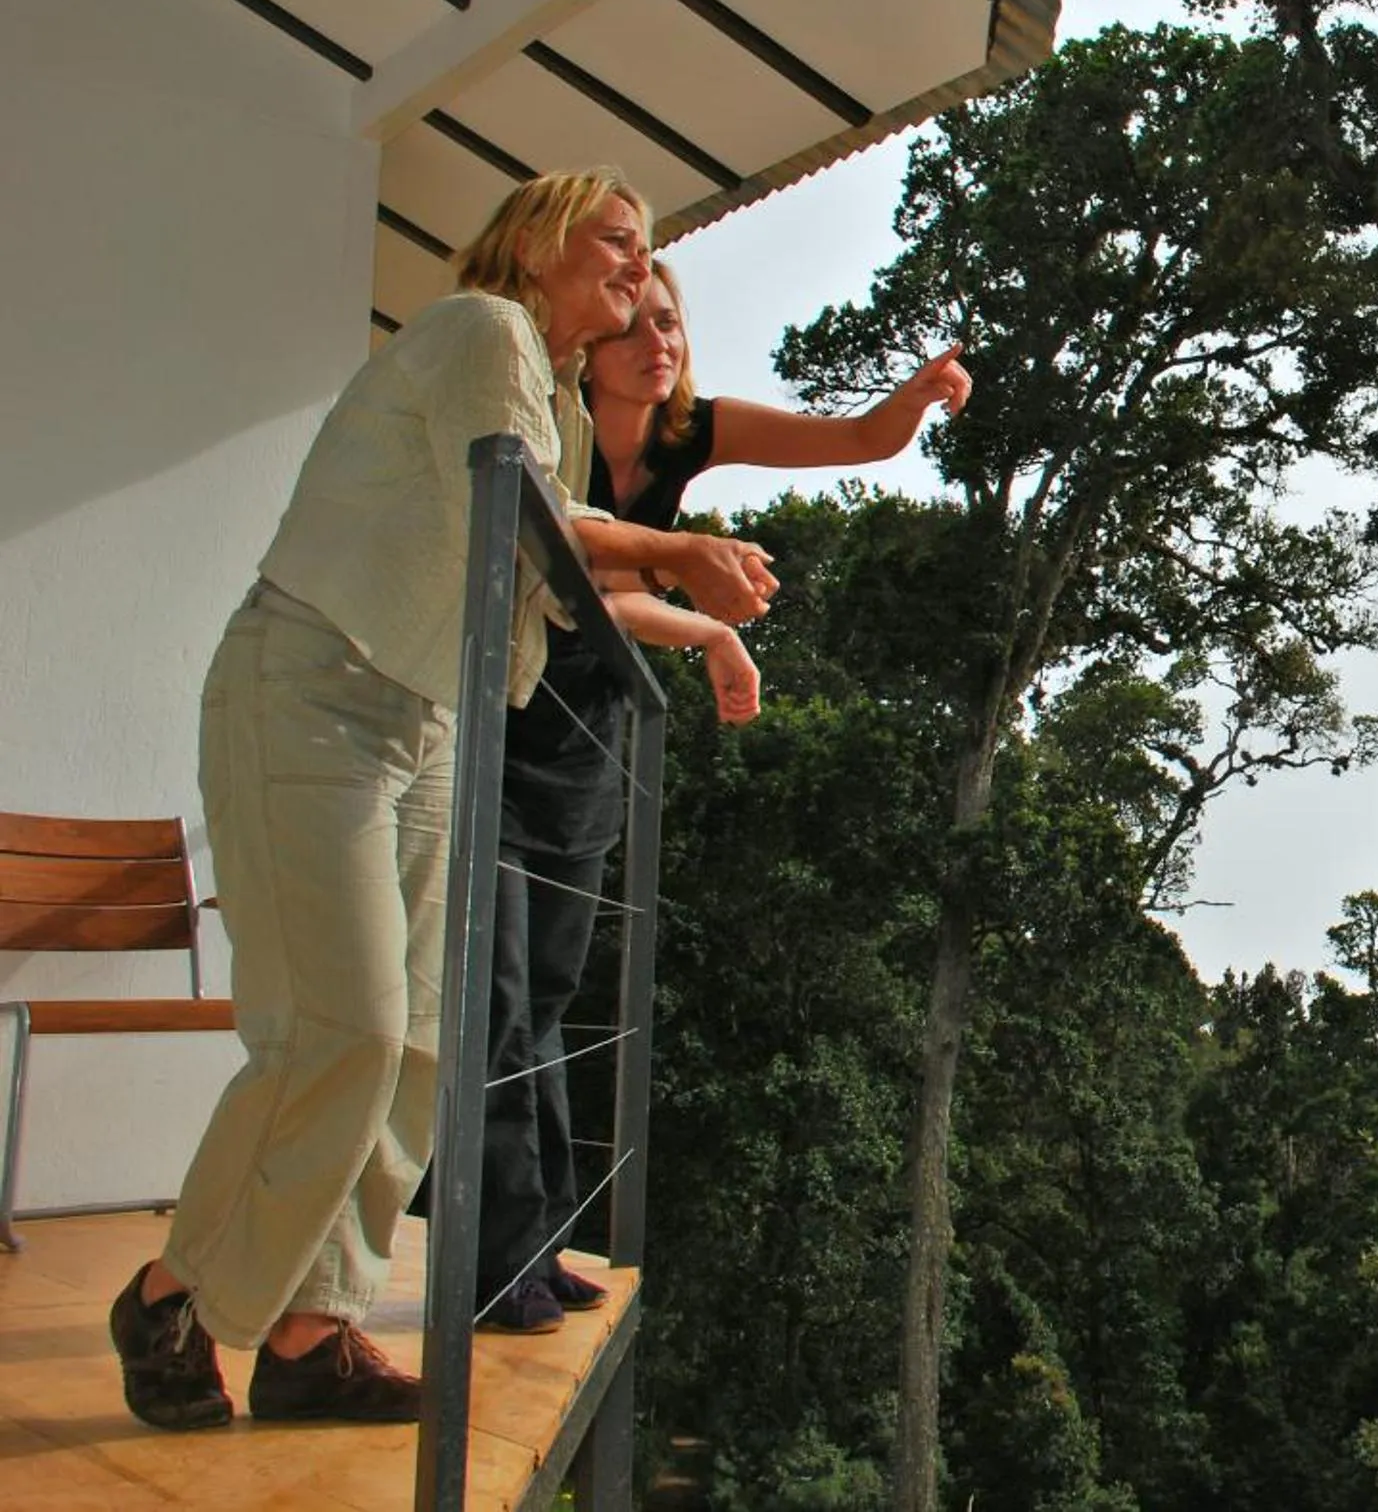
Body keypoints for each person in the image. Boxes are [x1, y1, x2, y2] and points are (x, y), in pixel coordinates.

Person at [111, 172, 777, 1430]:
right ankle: (174, 1293)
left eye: (648, 252)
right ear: (535, 239)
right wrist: (679, 550)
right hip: (317, 683)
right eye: (616, 241)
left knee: (419, 1038)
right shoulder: (484, 328)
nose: (639, 268)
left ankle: (313, 1332)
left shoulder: (558, 398)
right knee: (344, 1027)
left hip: (426, 719)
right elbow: (525, 513)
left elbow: (564, 558)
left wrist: (696, 614)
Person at [473, 258, 967, 1333]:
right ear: (587, 339)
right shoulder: (547, 429)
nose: (658, 342)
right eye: (633, 324)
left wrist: (915, 401)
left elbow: (852, 441)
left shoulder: (688, 430)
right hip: (499, 714)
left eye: (670, 322)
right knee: (496, 998)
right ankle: (499, 1255)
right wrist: (706, 622)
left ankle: (536, 1245)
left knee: (546, 993)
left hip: (586, 730)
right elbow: (581, 583)